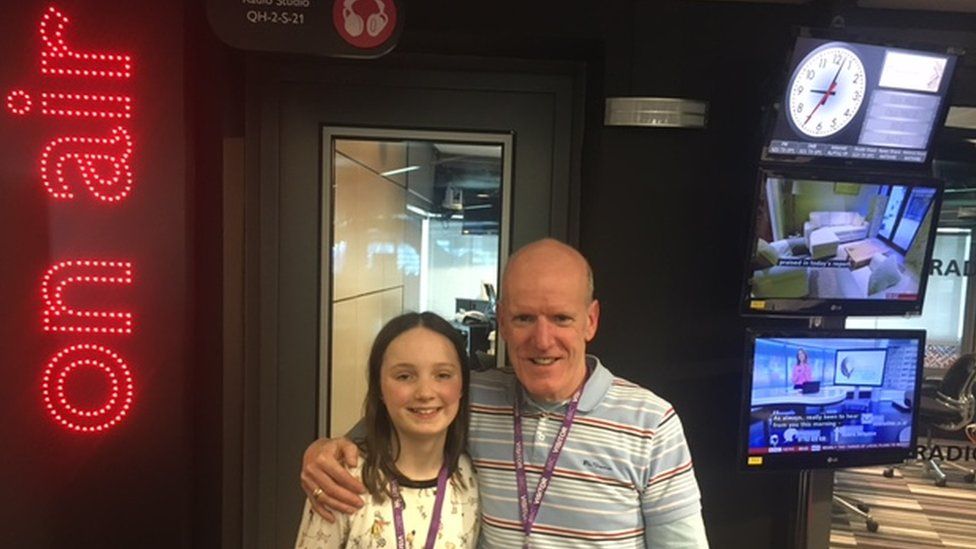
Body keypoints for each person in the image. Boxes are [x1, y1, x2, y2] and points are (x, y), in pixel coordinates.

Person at [301, 238, 708, 547]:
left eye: (561, 318)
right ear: (503, 323)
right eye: (524, 318)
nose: (542, 339)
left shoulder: (651, 424)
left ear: (590, 320)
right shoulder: (468, 397)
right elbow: (389, 423)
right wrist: (326, 452)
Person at [295, 312, 480, 548]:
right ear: (379, 388)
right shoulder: (340, 481)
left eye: (442, 375)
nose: (425, 392)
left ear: (462, 385)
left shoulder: (469, 477)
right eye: (404, 376)